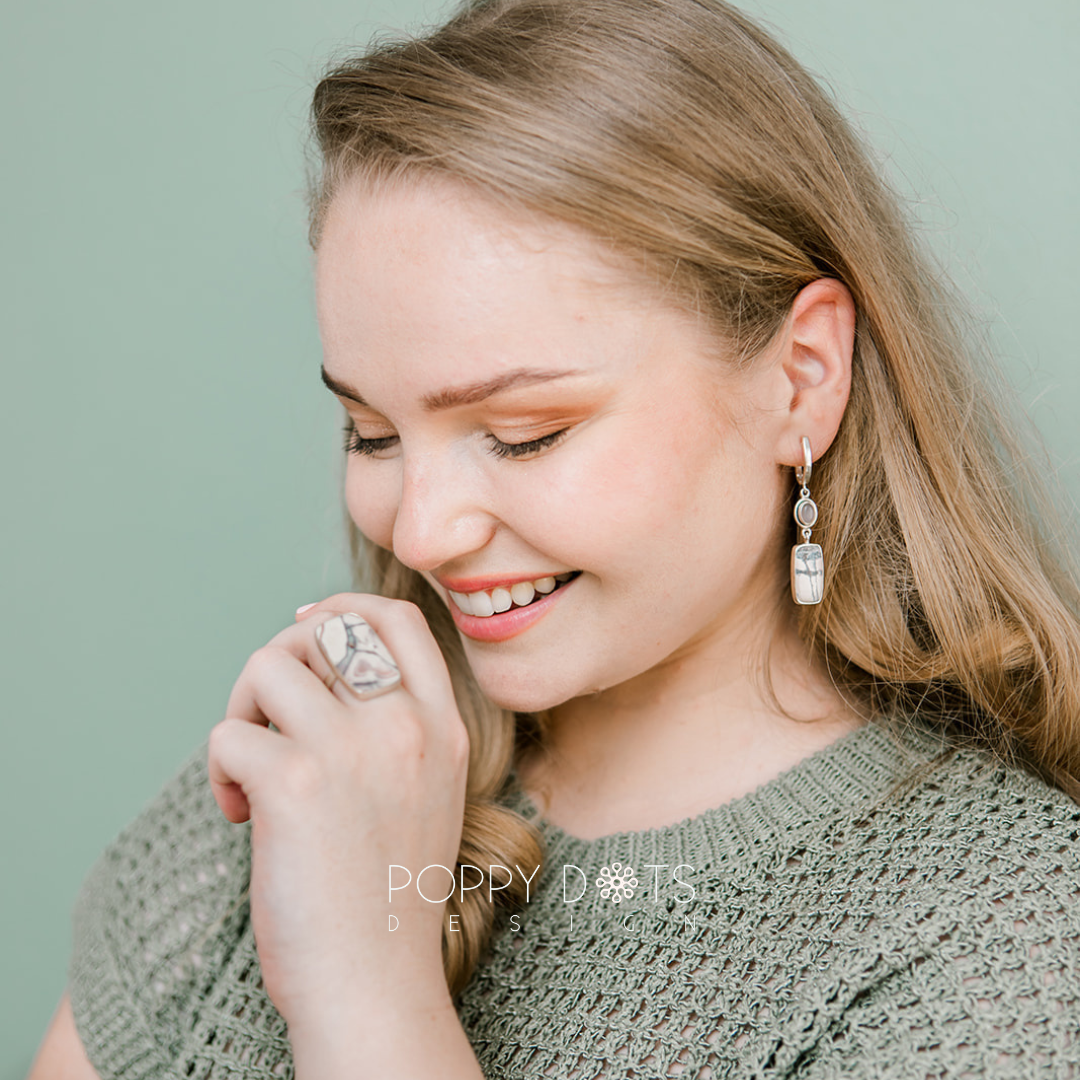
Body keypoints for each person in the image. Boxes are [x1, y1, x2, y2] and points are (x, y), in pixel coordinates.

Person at [28, 0, 1080, 1077]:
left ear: (800, 378)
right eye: (371, 432)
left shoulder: (995, 948)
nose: (423, 532)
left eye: (526, 434)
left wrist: (365, 984)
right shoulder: (311, 786)